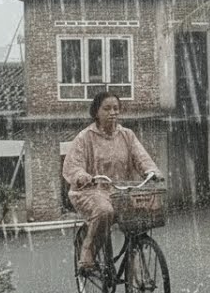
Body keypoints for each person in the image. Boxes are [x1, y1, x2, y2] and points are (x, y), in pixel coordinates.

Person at [63, 91, 161, 274]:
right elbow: (73, 165)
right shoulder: (85, 137)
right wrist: (82, 176)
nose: (112, 112)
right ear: (96, 112)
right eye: (107, 108)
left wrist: (151, 171)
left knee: (143, 213)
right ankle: (87, 252)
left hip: (119, 191)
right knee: (105, 211)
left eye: (116, 108)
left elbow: (141, 157)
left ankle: (135, 254)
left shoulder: (127, 135)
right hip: (91, 191)